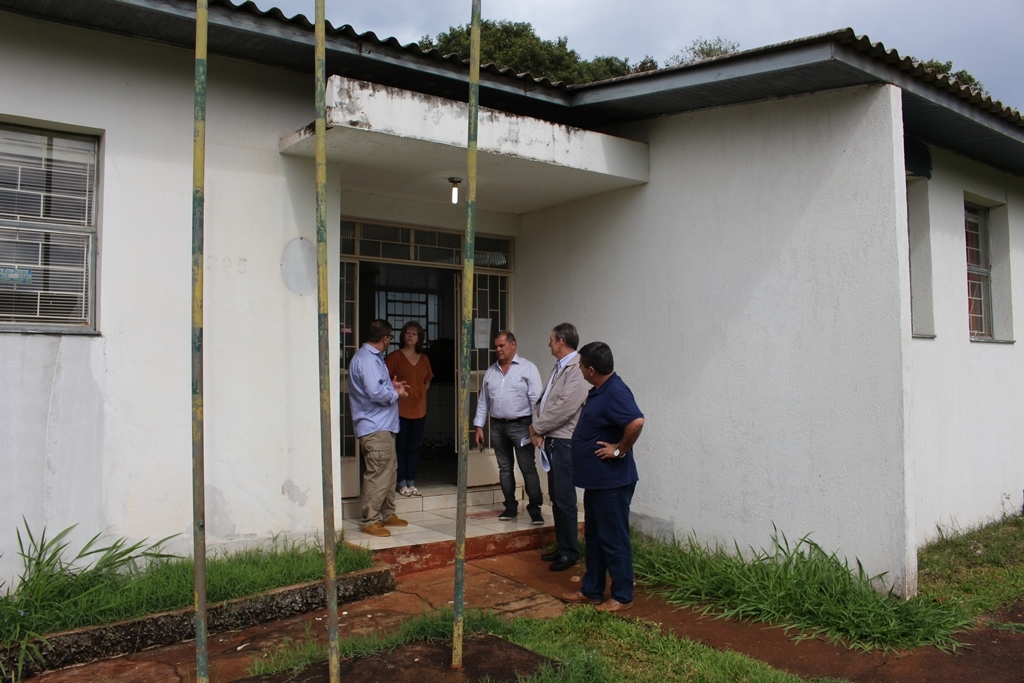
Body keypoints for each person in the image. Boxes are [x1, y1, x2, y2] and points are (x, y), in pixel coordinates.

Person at [561, 341, 645, 612]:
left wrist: (619, 450)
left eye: (581, 365)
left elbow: (636, 422)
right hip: (597, 482)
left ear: (591, 369)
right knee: (595, 538)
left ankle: (622, 595)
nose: (579, 369)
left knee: (614, 539)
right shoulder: (600, 390)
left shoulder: (616, 391)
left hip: (613, 483)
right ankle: (592, 589)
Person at [529, 323, 589, 571]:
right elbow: (544, 402)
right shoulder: (559, 367)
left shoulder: (577, 368)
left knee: (564, 497)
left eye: (552, 339)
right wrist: (539, 428)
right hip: (553, 438)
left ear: (562, 341)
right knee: (556, 496)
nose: (549, 343)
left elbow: (565, 407)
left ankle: (570, 551)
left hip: (565, 440)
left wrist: (537, 427)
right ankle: (563, 545)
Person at [473, 331, 545, 524]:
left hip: (522, 426)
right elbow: (483, 401)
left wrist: (537, 429)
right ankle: (510, 506)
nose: (498, 349)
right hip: (498, 426)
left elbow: (536, 401)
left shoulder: (527, 368)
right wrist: (479, 426)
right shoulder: (491, 372)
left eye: (502, 345)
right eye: (496, 346)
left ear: (513, 345)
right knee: (504, 468)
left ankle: (535, 508)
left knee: (527, 467)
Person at [348, 319, 410, 537]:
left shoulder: (373, 358)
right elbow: (375, 393)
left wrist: (392, 386)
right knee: (378, 474)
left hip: (383, 425)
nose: (390, 341)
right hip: (374, 426)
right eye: (390, 337)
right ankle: (371, 519)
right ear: (384, 338)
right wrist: (396, 394)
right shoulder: (367, 359)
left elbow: (376, 387)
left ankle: (387, 513)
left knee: (389, 472)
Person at [386, 321, 434, 498]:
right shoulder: (395, 357)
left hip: (419, 409)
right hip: (399, 410)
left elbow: (427, 382)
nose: (411, 335)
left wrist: (417, 394)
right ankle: (401, 481)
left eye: (414, 333)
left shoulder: (424, 359)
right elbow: (384, 380)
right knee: (401, 447)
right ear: (402, 336)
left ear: (419, 337)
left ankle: (411, 481)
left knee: (414, 447)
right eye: (407, 332)